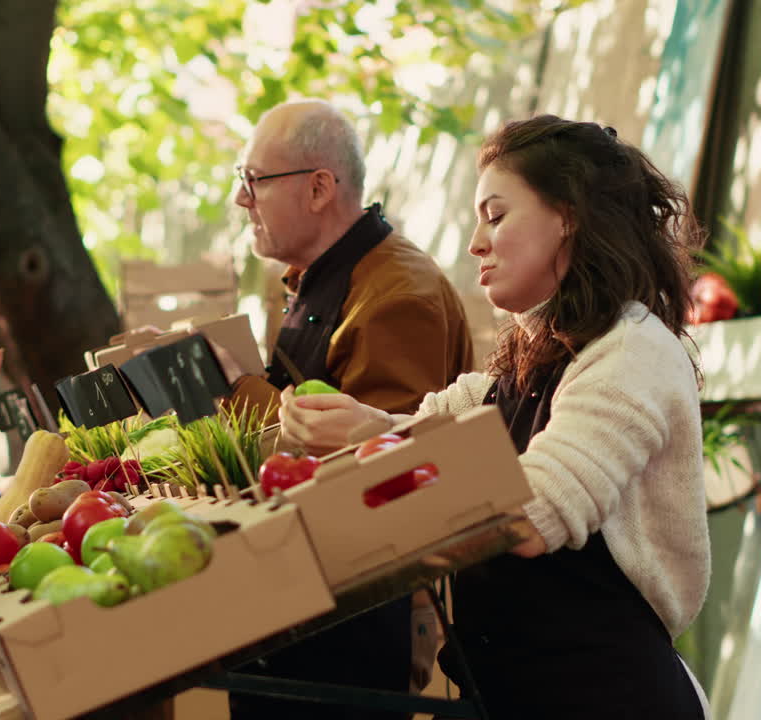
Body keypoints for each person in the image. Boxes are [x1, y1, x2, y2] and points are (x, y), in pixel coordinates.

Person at [279, 115, 712, 719]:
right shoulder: (525, 365)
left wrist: (376, 440)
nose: (475, 243)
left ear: (568, 216)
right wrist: (370, 429)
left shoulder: (631, 352)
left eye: (496, 215)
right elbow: (434, 428)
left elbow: (533, 514)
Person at [223, 99, 475, 720]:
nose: (240, 200)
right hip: (300, 600)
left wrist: (234, 389)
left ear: (318, 188)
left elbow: (383, 489)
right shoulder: (325, 275)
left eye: (253, 180)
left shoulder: (398, 297)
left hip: (351, 626)